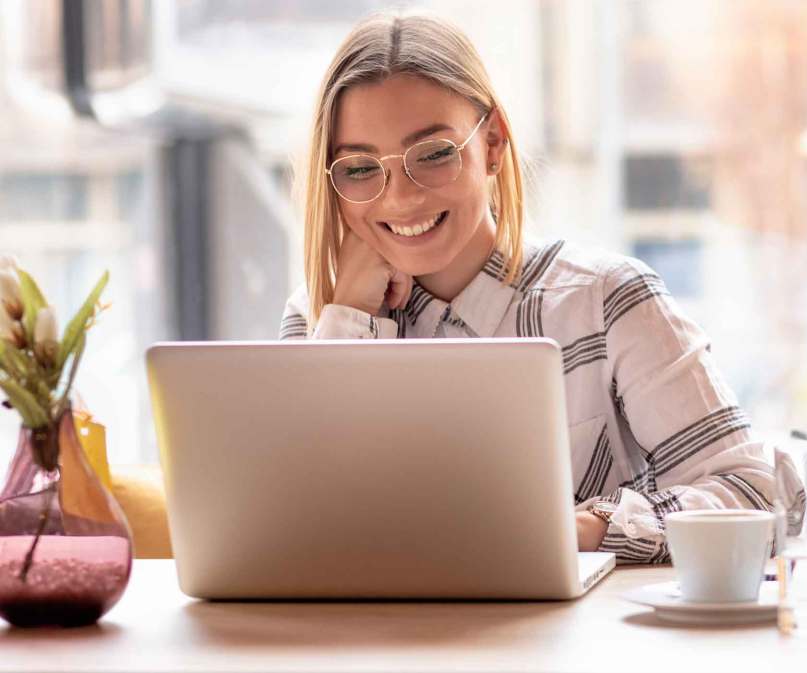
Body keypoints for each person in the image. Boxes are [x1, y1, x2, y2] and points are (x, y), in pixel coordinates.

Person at [279, 10, 773, 563]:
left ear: (492, 144)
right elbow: (295, 533)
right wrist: (348, 318)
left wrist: (577, 531)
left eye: (435, 154)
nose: (400, 199)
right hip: (377, 645)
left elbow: (754, 496)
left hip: (571, 644)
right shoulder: (320, 318)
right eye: (361, 169)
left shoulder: (605, 300)